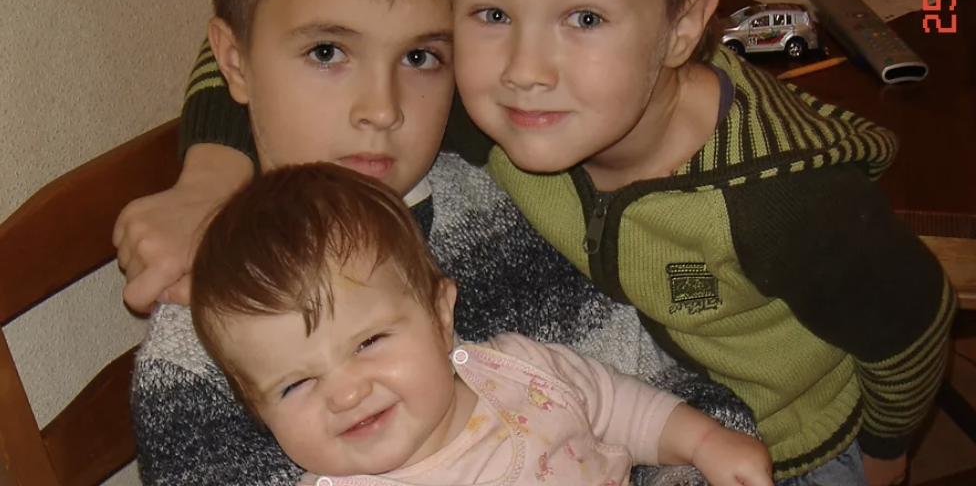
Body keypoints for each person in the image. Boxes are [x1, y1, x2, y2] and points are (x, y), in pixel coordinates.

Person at [123, 0, 756, 486]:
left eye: (421, 56)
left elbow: (666, 395)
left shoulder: (499, 205)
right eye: (327, 52)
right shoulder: (201, 347)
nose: (382, 108)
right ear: (235, 62)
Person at [443, 0, 956, 486]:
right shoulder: (504, 117)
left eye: (585, 19)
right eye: (492, 13)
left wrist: (887, 454)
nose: (524, 71)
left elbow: (914, 321)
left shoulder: (780, 203)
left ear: (683, 27)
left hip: (796, 445)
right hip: (658, 416)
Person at [189, 162, 774, 486]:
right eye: (294, 384)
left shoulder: (522, 371)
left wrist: (703, 442)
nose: (346, 392)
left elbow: (618, 407)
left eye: (368, 342)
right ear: (257, 412)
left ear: (441, 316)